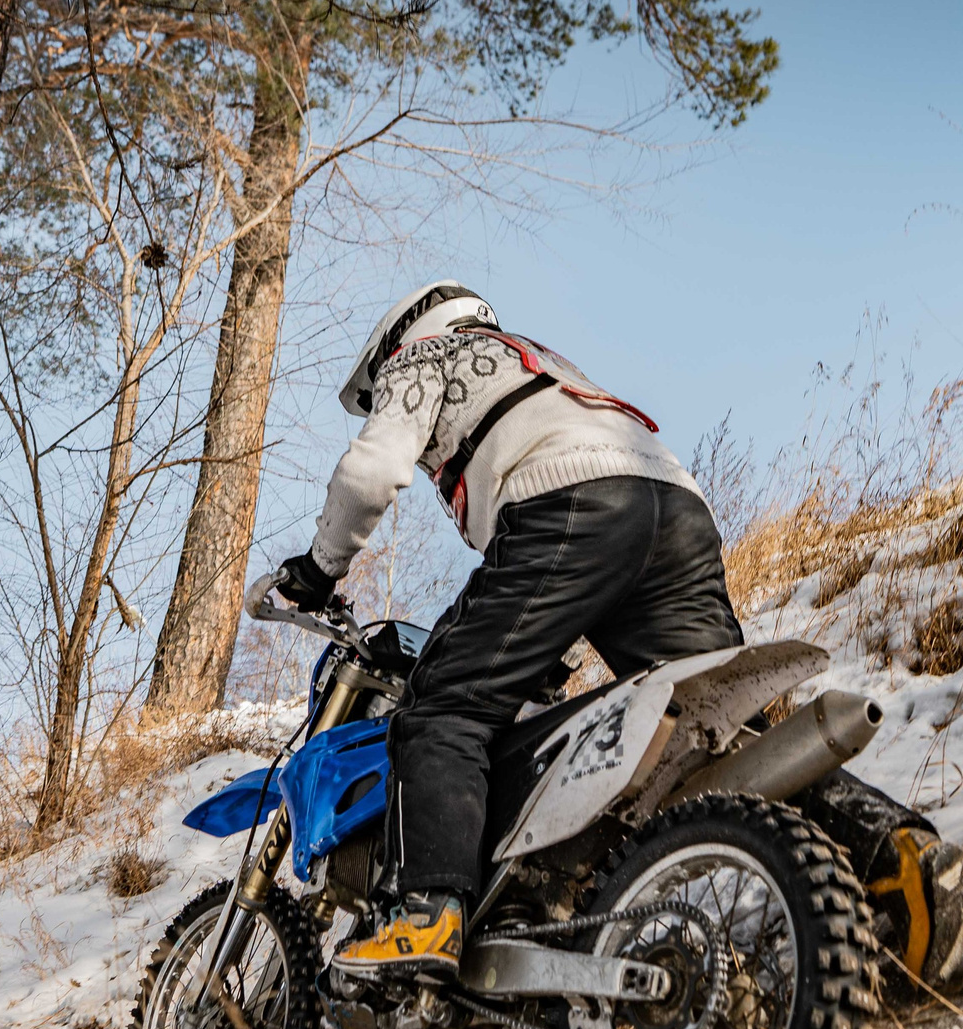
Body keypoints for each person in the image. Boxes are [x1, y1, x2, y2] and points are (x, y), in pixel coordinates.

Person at [271, 281, 742, 981]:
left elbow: (371, 473)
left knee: (441, 705)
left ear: (395, 346)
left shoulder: (423, 356)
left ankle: (426, 912)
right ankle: (887, 853)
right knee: (726, 718)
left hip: (570, 504)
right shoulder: (534, 360)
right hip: (674, 507)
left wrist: (316, 569)